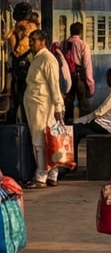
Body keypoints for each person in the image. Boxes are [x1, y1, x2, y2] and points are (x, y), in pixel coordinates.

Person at [22, 30, 66, 187]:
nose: (30, 43)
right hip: (36, 106)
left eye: (33, 40)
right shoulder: (37, 58)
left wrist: (58, 106)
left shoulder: (47, 59)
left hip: (42, 107)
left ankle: (41, 176)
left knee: (40, 141)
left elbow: (54, 85)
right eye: (30, 40)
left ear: (43, 41)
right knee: (50, 140)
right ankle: (52, 175)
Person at [72, 66, 111, 164]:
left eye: (108, 77)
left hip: (103, 126)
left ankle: (73, 163)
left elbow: (100, 112)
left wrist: (80, 120)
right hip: (109, 126)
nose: (107, 80)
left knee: (75, 131)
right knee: (78, 126)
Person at [61, 21, 95, 121]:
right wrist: (90, 85)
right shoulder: (83, 45)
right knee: (84, 104)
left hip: (66, 76)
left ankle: (68, 124)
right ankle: (83, 124)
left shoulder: (63, 44)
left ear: (70, 31)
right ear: (81, 32)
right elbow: (87, 65)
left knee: (68, 102)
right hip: (79, 77)